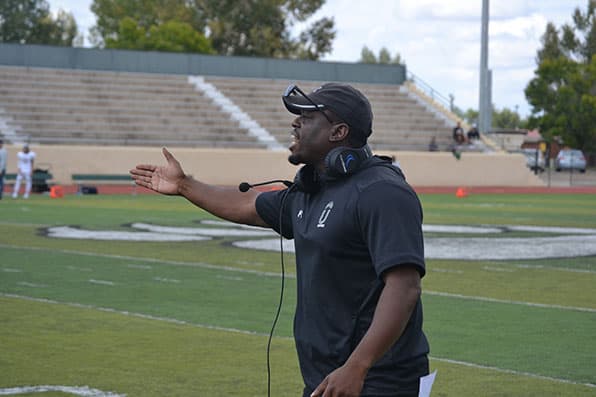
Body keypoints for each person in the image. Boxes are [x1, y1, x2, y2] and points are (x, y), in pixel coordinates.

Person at [130, 83, 430, 397]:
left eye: (308, 116)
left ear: (339, 132)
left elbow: (404, 286)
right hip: (328, 379)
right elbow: (247, 204)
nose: (295, 122)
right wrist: (184, 186)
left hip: (380, 382)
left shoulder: (382, 192)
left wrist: (358, 366)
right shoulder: (312, 191)